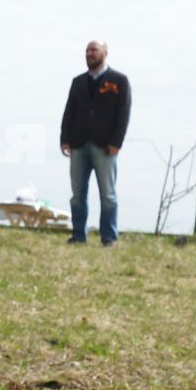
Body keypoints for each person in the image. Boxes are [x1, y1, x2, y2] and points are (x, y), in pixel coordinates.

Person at [59, 40, 130, 246]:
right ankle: (78, 235)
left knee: (108, 194)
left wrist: (116, 142)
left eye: (94, 50)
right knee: (77, 194)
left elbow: (123, 114)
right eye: (87, 50)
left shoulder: (119, 80)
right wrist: (65, 138)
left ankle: (109, 237)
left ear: (105, 52)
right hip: (79, 143)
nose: (89, 53)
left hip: (105, 145)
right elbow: (69, 111)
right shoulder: (78, 81)